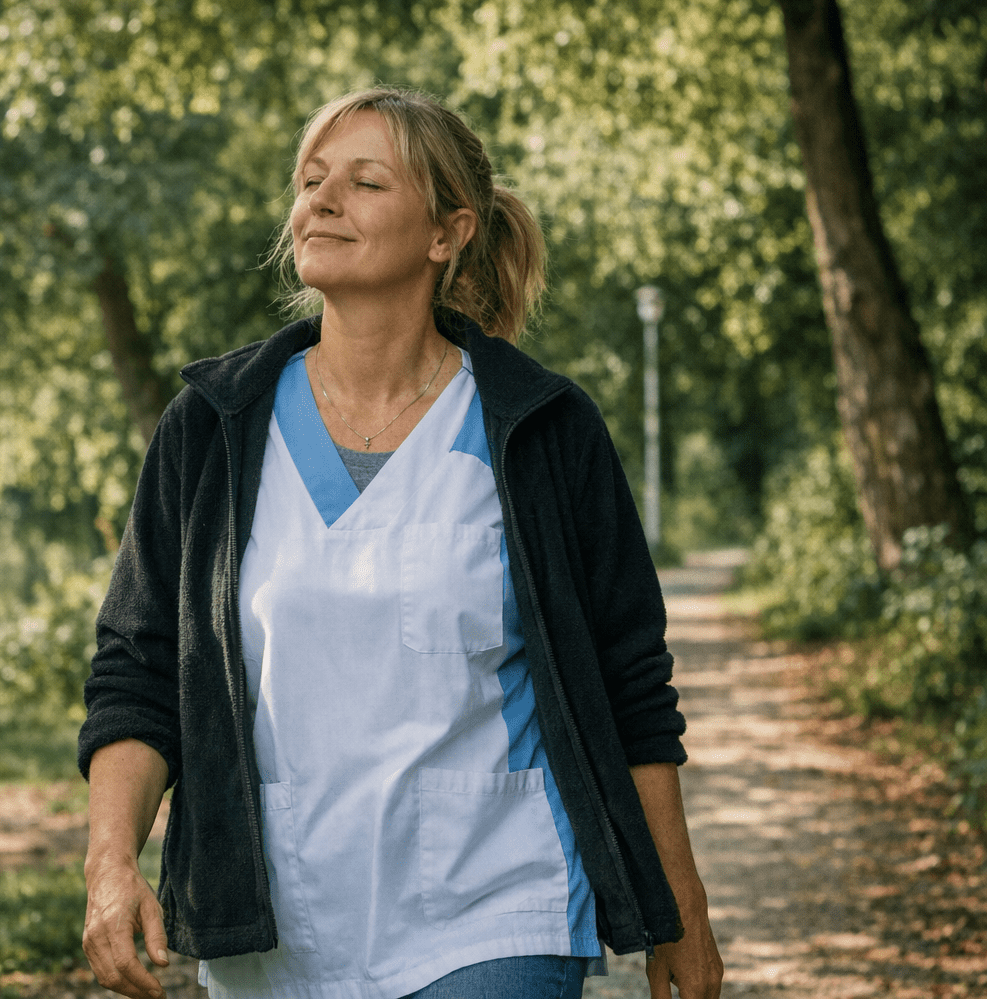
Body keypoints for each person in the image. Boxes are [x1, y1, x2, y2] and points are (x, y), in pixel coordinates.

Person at [78, 86, 723, 999]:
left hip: (498, 903)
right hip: (274, 926)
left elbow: (630, 687)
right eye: (311, 181)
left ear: (448, 232)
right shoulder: (214, 430)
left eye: (365, 181)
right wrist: (111, 865)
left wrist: (682, 914)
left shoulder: (542, 429)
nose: (323, 200)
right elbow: (140, 673)